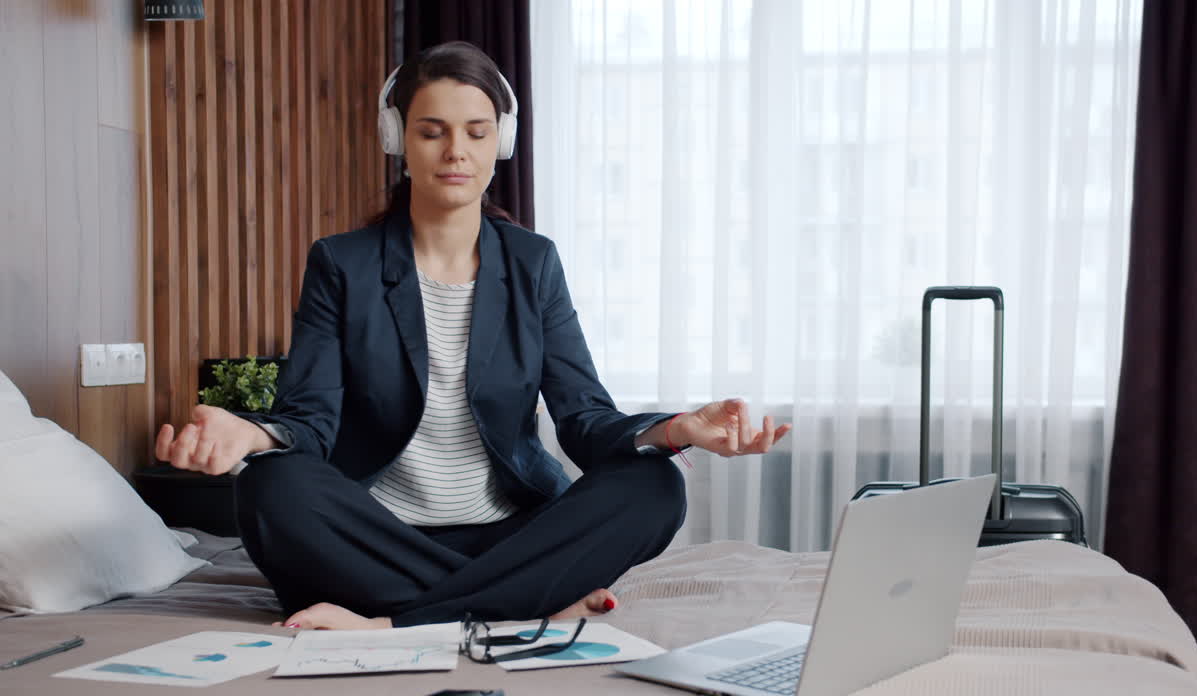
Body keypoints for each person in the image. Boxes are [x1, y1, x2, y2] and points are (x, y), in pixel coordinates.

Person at [153, 41, 790, 631]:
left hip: (511, 533)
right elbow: (310, 420)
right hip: (377, 538)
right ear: (398, 138)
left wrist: (677, 429)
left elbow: (585, 420)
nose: (455, 151)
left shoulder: (533, 262)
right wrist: (250, 433)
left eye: (476, 132)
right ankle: (525, 600)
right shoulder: (341, 264)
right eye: (432, 132)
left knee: (654, 485)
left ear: (499, 142)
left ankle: (393, 622)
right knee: (271, 485)